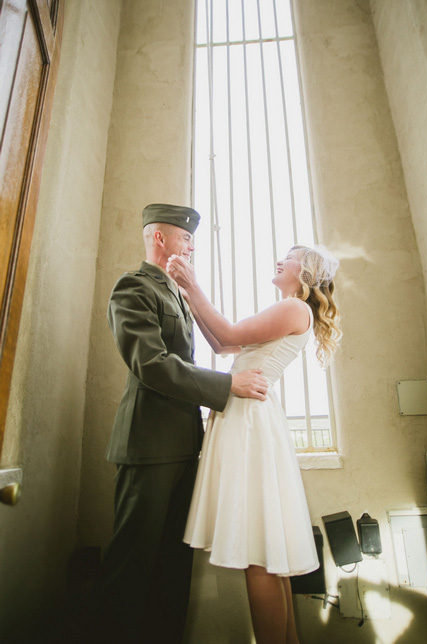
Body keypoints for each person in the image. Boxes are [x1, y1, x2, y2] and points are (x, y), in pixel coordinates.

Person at [88, 204, 268, 644]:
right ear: (160, 239)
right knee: (132, 567)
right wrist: (228, 386)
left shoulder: (175, 294)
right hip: (148, 447)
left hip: (185, 447)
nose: (191, 246)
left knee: (172, 570)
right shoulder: (133, 288)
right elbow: (152, 363)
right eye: (185, 238)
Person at [167, 244, 341, 644]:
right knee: (266, 557)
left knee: (258, 557)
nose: (282, 258)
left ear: (307, 273)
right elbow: (223, 346)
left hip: (249, 421)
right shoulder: (291, 310)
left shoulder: (294, 308)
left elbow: (227, 333)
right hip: (250, 416)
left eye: (292, 256)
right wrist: (188, 294)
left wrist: (193, 284)